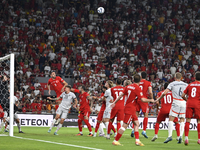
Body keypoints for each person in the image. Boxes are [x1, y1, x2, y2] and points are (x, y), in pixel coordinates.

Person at [111, 74, 154, 146]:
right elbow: (142, 99)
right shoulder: (137, 88)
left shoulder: (127, 87)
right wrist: (151, 100)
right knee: (124, 125)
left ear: (133, 80)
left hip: (130, 108)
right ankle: (115, 140)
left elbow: (121, 95)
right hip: (130, 109)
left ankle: (137, 140)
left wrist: (114, 102)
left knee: (137, 123)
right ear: (140, 80)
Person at [156, 72, 188, 143]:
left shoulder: (172, 84)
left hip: (176, 102)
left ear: (175, 77)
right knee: (182, 119)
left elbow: (165, 93)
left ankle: (169, 136)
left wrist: (159, 99)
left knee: (171, 119)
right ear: (181, 77)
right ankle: (180, 137)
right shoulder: (186, 84)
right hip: (183, 102)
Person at [131, 72, 153, 138]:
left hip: (137, 99)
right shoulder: (148, 83)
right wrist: (151, 99)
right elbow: (150, 92)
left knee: (135, 115)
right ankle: (144, 130)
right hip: (144, 100)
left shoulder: (138, 82)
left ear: (140, 76)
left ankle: (133, 129)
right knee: (146, 116)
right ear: (146, 76)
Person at [182, 71, 200, 145]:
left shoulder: (190, 85)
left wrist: (187, 100)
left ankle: (186, 138)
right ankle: (199, 139)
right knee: (199, 121)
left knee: (188, 120)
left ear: (194, 77)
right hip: (197, 104)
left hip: (189, 103)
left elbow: (183, 95)